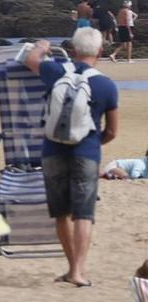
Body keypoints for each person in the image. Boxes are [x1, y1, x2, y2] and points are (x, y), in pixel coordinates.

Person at [23, 28, 121, 287]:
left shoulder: (56, 71)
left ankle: (70, 269)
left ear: (74, 50)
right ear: (100, 51)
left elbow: (30, 60)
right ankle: (78, 271)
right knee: (84, 213)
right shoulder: (106, 85)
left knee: (62, 213)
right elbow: (111, 130)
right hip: (86, 152)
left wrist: (42, 45)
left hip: (52, 149)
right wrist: (92, 142)